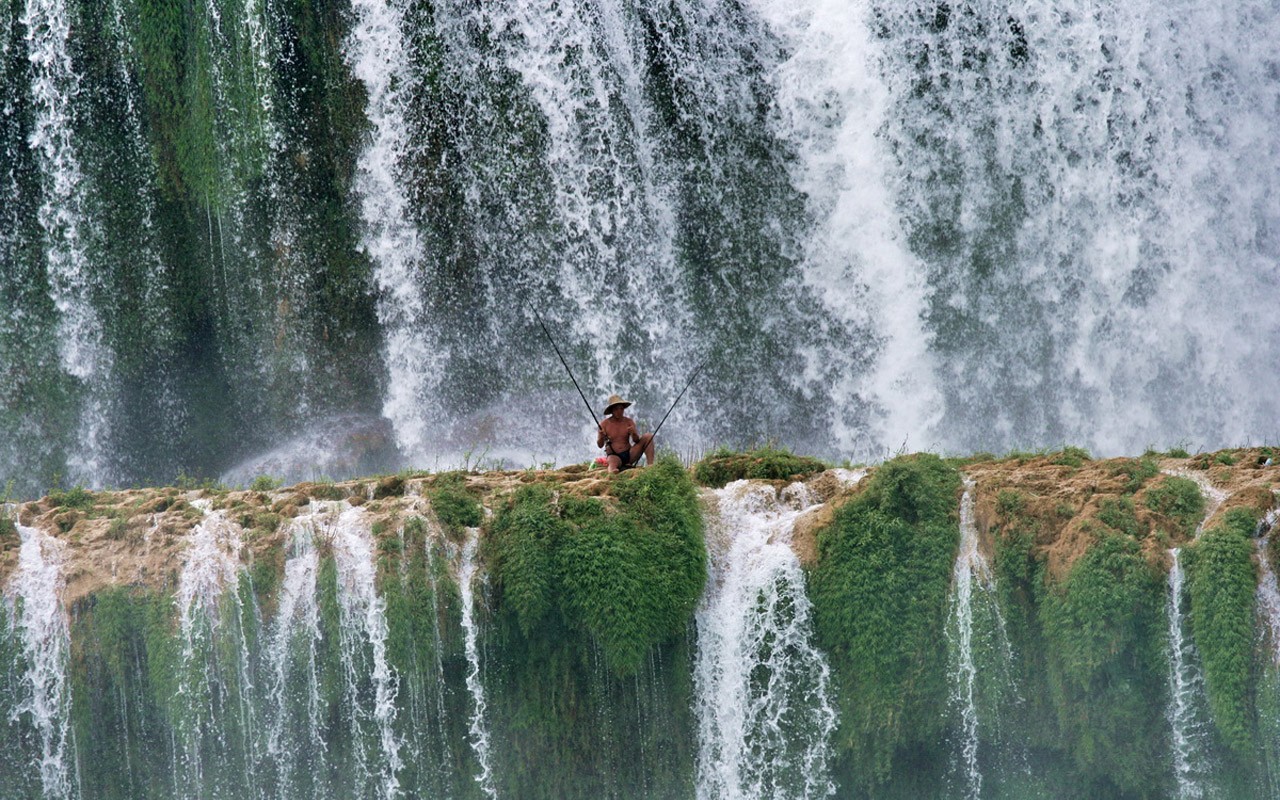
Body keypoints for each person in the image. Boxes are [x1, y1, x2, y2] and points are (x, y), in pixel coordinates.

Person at [596, 394, 654, 473]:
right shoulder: (604, 424)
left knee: (648, 436)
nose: (619, 411)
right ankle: (613, 472)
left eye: (621, 408)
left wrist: (634, 433)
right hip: (614, 456)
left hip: (629, 454)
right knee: (612, 463)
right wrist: (601, 437)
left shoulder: (629, 422)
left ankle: (651, 467)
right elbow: (600, 445)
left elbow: (636, 440)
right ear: (612, 410)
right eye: (616, 409)